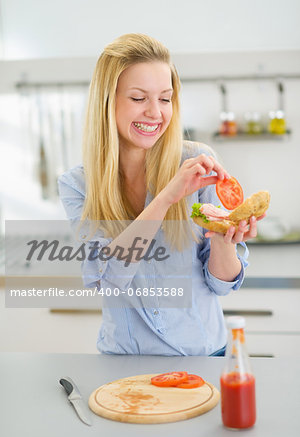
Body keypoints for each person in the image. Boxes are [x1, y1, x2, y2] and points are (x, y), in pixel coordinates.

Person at [58, 33, 264, 356]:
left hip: (204, 357)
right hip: (126, 363)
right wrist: (165, 198)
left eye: (165, 99)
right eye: (139, 98)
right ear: (107, 102)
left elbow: (222, 283)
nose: (156, 113)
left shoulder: (197, 163)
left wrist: (225, 239)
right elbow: (109, 278)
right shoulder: (78, 185)